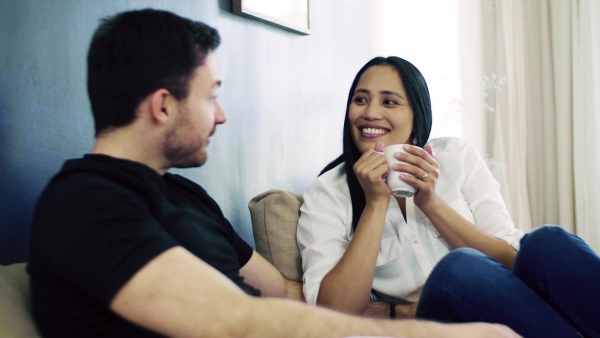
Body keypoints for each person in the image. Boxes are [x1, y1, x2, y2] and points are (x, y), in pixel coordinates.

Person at [26, 9, 520, 338]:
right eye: (210, 95)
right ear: (162, 106)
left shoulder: (184, 196)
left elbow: (284, 292)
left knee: (549, 250)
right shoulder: (87, 203)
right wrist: (452, 332)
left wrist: (409, 314)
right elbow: (237, 320)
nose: (220, 115)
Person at [297, 56, 600, 338]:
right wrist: (375, 203)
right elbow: (332, 313)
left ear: (417, 113)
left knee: (544, 242)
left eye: (389, 101)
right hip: (441, 319)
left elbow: (511, 260)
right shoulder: (327, 194)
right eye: (360, 100)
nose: (370, 113)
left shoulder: (456, 157)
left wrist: (431, 203)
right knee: (458, 269)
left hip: (506, 299)